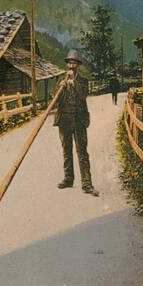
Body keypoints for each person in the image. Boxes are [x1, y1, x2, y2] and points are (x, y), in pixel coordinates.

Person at [53, 49, 99, 197]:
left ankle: (87, 184)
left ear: (78, 65)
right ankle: (68, 178)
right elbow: (55, 100)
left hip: (79, 120)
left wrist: (74, 83)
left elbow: (83, 95)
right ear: (67, 64)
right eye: (69, 62)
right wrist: (62, 85)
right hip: (64, 120)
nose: (71, 65)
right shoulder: (60, 79)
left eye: (74, 63)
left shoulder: (83, 81)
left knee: (82, 152)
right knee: (66, 150)